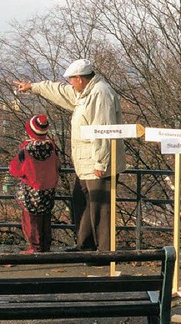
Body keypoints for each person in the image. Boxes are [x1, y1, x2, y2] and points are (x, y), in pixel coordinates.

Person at [14, 59, 125, 255]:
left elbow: (102, 130)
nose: (70, 84)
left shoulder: (100, 93)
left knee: (100, 207)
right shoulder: (86, 92)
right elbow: (60, 91)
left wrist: (101, 162)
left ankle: (104, 252)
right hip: (86, 163)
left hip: (96, 162)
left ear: (80, 78)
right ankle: (86, 246)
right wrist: (34, 87)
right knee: (83, 202)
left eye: (72, 80)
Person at [9, 114, 61, 254]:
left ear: (30, 131)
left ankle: (35, 248)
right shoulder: (52, 146)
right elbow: (58, 164)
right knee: (46, 218)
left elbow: (15, 170)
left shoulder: (26, 149)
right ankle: (45, 247)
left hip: (31, 190)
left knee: (31, 219)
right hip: (49, 189)